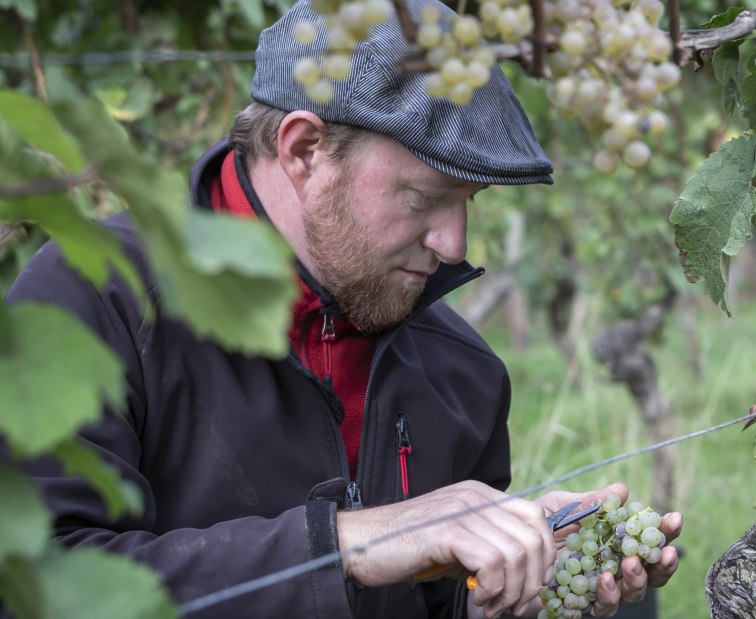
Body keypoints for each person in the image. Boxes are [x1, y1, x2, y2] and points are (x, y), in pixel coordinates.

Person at [3, 0, 682, 617]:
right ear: (303, 151)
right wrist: (347, 543)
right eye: (422, 199)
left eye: (468, 203)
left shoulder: (464, 374)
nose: (455, 246)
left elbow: (438, 602)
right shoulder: (95, 298)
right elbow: (38, 585)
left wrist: (503, 594)